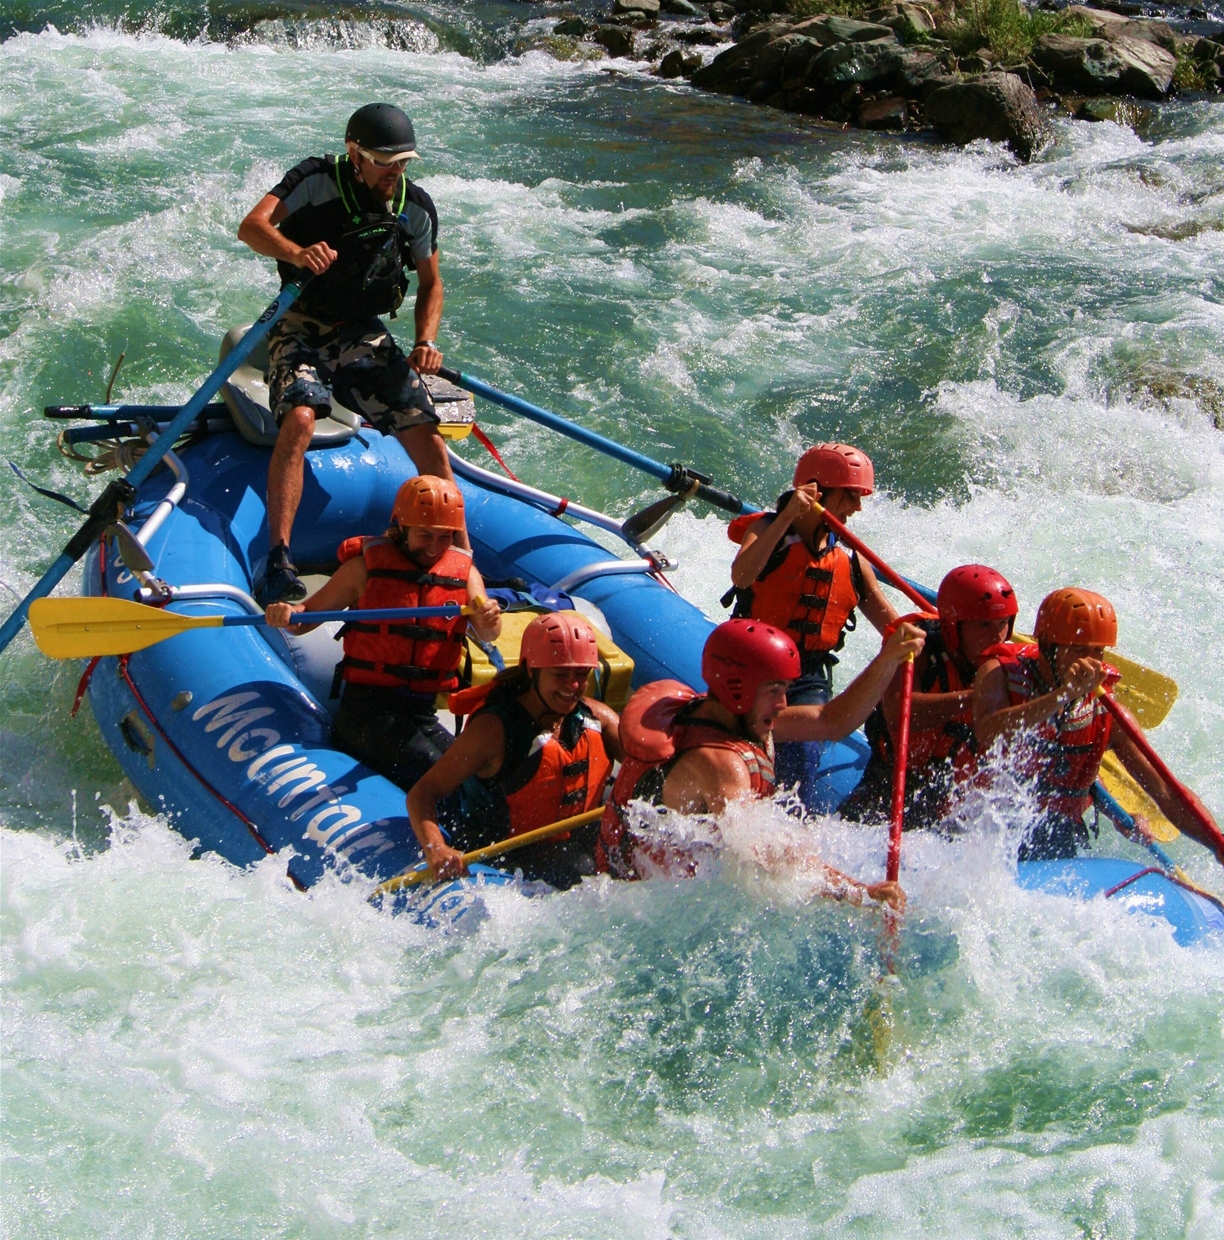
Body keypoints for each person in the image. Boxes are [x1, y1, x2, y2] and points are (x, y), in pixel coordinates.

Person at [238, 102, 454, 604]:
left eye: (403, 162)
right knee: (300, 419)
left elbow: (432, 282)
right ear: (354, 153)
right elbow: (251, 228)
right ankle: (278, 558)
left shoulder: (415, 206)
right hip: (300, 322)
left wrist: (426, 340)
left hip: (363, 332)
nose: (394, 172)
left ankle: (458, 559)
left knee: (425, 430)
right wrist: (295, 253)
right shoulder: (315, 179)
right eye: (384, 161)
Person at [596, 617, 924, 908]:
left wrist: (887, 660)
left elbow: (831, 720)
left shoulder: (733, 718)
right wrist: (859, 893)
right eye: (775, 691)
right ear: (739, 688)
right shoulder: (719, 763)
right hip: (636, 900)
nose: (783, 704)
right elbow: (772, 856)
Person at [267, 476, 501, 792]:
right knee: (454, 785)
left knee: (482, 781)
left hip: (423, 714)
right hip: (367, 716)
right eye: (425, 536)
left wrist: (488, 616)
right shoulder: (364, 569)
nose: (434, 547)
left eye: (444, 537)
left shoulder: (464, 573)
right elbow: (305, 619)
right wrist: (285, 613)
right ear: (402, 529)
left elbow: (488, 631)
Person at [973, 587, 1223, 864]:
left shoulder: (1107, 711)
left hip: (1057, 834)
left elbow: (1167, 791)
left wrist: (1216, 842)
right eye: (1079, 650)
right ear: (1045, 643)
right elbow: (988, 733)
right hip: (985, 831)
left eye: (1099, 651)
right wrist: (1061, 696)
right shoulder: (999, 674)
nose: (1091, 662)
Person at [724, 443, 899, 802]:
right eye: (850, 496)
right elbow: (742, 576)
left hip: (805, 675)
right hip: (753, 663)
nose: (857, 507)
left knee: (801, 757)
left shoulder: (850, 560)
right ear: (817, 492)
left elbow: (892, 625)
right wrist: (787, 517)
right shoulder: (767, 529)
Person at [407, 612, 624, 889]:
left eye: (581, 674)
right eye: (560, 674)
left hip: (569, 841)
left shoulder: (598, 719)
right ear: (532, 670)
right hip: (503, 855)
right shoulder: (493, 730)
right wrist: (435, 847)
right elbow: (423, 793)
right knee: (579, 868)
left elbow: (645, 769)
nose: (573, 686)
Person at [840, 564, 1019, 830]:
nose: (997, 636)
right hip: (893, 785)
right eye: (983, 625)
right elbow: (900, 714)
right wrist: (976, 696)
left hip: (958, 798)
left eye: (1003, 623)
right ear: (952, 628)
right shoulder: (915, 649)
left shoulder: (1008, 664)